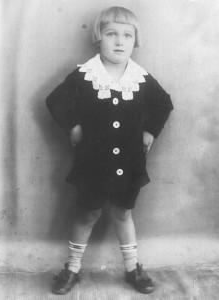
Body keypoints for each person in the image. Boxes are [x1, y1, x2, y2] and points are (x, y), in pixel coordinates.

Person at [46, 6, 173, 295]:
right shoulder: (85, 75)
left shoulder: (140, 78)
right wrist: (73, 127)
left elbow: (163, 103)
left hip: (129, 163)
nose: (119, 41)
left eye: (127, 35)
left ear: (135, 41)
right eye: (111, 34)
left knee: (123, 214)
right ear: (98, 38)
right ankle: (72, 269)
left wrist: (149, 131)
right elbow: (55, 101)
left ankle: (132, 269)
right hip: (92, 163)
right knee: (87, 214)